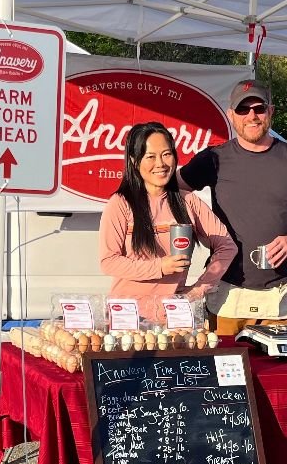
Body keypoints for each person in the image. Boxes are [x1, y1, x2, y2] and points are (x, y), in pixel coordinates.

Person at [180, 79, 287, 334]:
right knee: (228, 370)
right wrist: (200, 227)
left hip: (278, 296)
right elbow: (174, 190)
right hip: (226, 293)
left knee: (279, 373)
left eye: (259, 108)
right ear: (231, 115)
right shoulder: (214, 159)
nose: (252, 116)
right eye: (243, 109)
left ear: (271, 112)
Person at [98, 122, 235, 324]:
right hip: (126, 316)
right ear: (134, 161)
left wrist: (198, 289)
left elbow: (227, 246)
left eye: (166, 154)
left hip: (173, 317)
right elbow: (108, 261)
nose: (160, 164)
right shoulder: (120, 204)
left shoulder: (188, 201)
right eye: (150, 157)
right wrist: (160, 267)